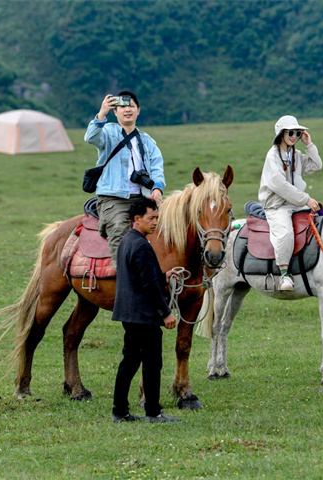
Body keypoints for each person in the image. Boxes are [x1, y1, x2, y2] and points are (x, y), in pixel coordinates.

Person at [111, 197, 181, 423]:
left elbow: (141, 276)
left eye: (157, 218)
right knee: (152, 363)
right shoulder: (141, 245)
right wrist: (166, 313)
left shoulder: (127, 241)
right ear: (137, 219)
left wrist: (163, 276)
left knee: (129, 361)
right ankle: (153, 412)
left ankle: (119, 411)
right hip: (143, 315)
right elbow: (148, 286)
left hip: (129, 313)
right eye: (151, 218)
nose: (155, 222)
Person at [84, 90, 166, 267]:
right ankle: (123, 276)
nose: (127, 109)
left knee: (166, 230)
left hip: (143, 198)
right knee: (120, 231)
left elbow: (157, 167)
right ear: (115, 112)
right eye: (122, 106)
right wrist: (101, 114)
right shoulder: (108, 133)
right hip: (114, 198)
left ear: (138, 110)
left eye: (131, 106)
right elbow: (90, 138)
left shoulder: (147, 141)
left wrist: (157, 188)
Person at [258, 115, 322, 291]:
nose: (294, 136)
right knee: (285, 233)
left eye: (298, 132)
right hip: (276, 206)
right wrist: (305, 199)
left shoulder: (296, 154)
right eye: (291, 132)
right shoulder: (273, 156)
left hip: (294, 203)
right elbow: (279, 184)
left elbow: (317, 166)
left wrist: (309, 145)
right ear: (281, 134)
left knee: (319, 222)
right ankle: (285, 275)